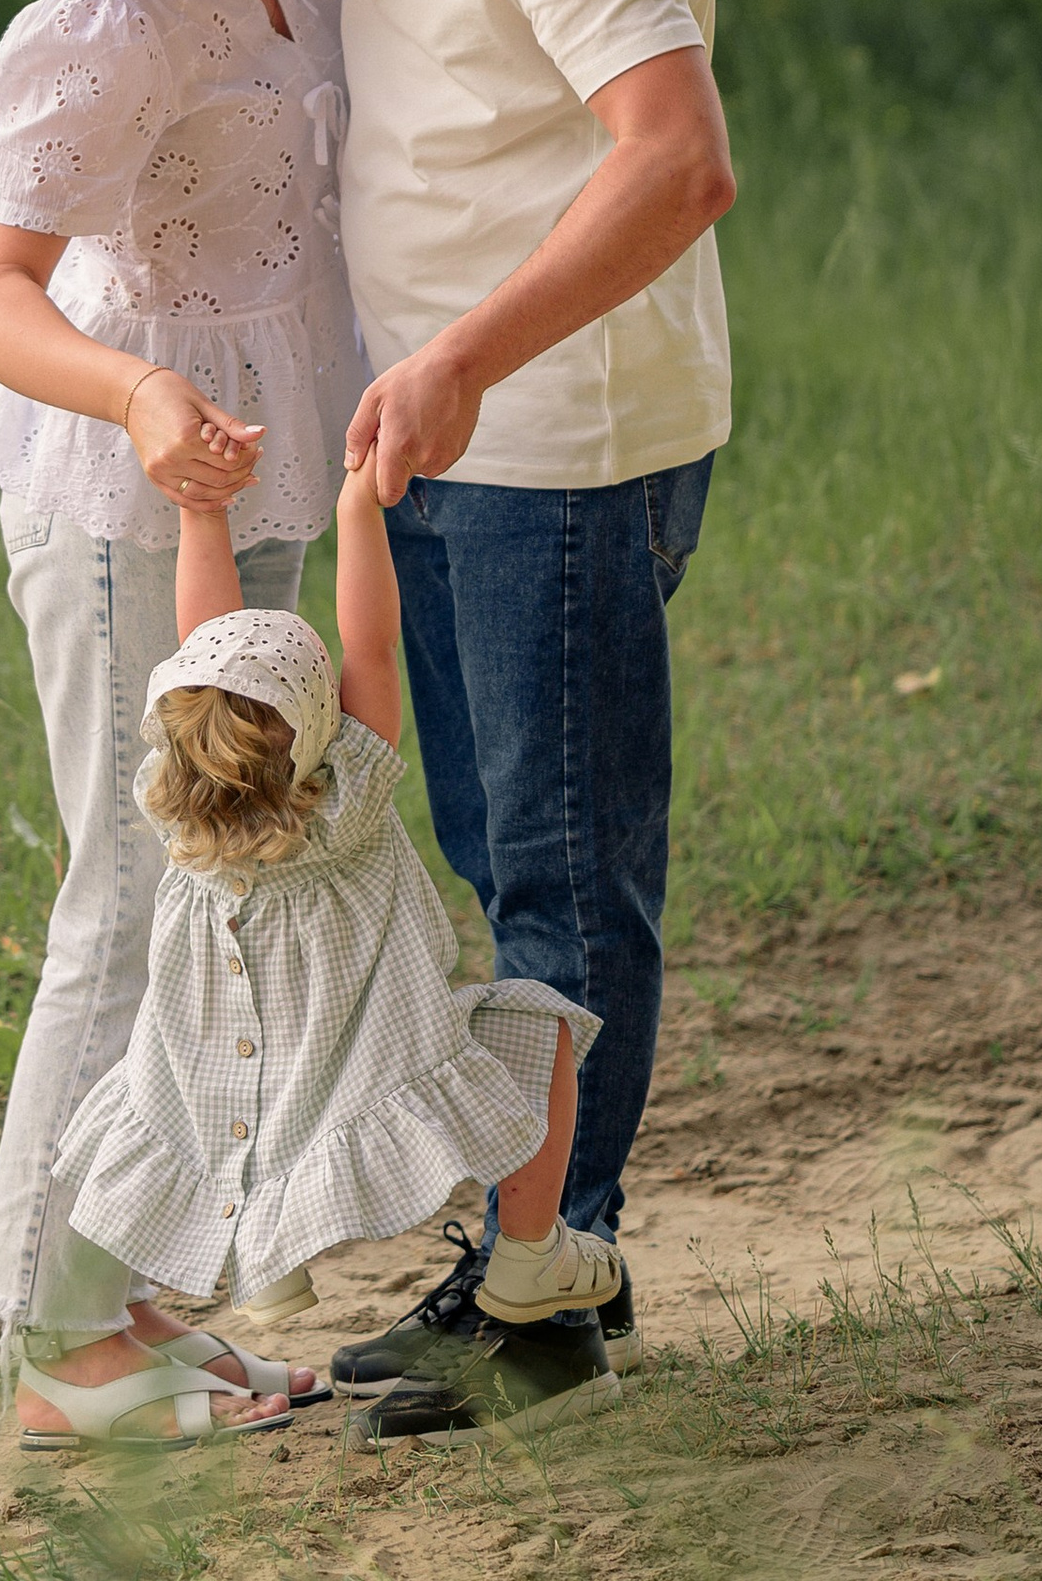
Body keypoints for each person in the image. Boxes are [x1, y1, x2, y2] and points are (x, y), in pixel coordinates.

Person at [257, 0, 735, 1398]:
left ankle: (540, 1288)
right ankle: (553, 1256)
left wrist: (465, 349)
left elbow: (678, 160)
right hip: (441, 425)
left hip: (556, 433)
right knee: (491, 852)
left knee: (555, 876)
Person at [0, 0, 373, 1443]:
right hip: (135, 489)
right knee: (123, 901)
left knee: (215, 896)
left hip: (252, 471)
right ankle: (47, 1346)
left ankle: (126, 1305)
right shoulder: (108, 3)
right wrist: (134, 396)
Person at [31, 457, 617, 1450]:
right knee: (536, 1026)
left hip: (229, 1094)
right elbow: (372, 641)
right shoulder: (343, 801)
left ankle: (254, 1263)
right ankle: (528, 1252)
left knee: (149, 1119)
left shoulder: (173, 804)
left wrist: (200, 511)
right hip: (360, 1065)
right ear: (313, 729)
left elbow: (205, 639)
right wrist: (357, 503)